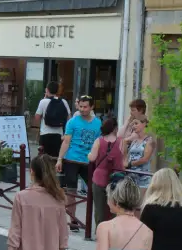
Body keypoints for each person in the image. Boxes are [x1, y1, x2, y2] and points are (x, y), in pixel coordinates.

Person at [56, 95, 101, 228]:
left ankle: (93, 223)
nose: (82, 109)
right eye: (80, 106)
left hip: (89, 162)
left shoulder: (98, 123)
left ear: (92, 107)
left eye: (85, 106)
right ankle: (73, 220)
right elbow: (66, 141)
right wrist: (60, 159)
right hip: (72, 160)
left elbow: (99, 143)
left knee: (94, 192)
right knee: (71, 192)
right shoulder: (72, 122)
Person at [87, 117, 125, 227]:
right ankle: (113, 231)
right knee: (115, 207)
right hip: (117, 179)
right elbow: (125, 161)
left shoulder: (98, 141)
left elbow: (92, 158)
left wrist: (88, 155)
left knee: (99, 208)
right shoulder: (121, 142)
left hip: (99, 178)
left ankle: (100, 231)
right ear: (115, 128)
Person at [32, 81, 70, 157]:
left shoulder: (43, 102)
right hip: (58, 135)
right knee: (55, 157)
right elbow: (69, 118)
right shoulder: (63, 101)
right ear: (57, 91)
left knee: (44, 159)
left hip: (45, 134)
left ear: (47, 90)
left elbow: (37, 117)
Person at [121, 116, 154, 188]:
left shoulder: (149, 140)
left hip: (142, 179)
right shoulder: (134, 140)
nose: (133, 126)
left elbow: (145, 159)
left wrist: (130, 164)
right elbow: (127, 156)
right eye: (133, 124)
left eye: (136, 123)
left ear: (144, 124)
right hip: (130, 178)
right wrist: (125, 142)